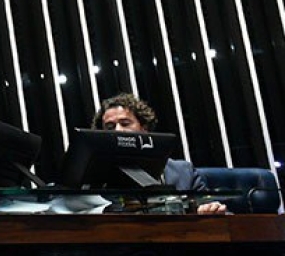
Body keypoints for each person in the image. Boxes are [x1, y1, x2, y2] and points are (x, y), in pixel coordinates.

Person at [91, 92, 227, 215]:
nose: (118, 131)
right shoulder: (97, 178)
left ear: (144, 128)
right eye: (110, 127)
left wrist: (211, 210)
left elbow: (219, 212)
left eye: (125, 123)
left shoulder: (183, 171)